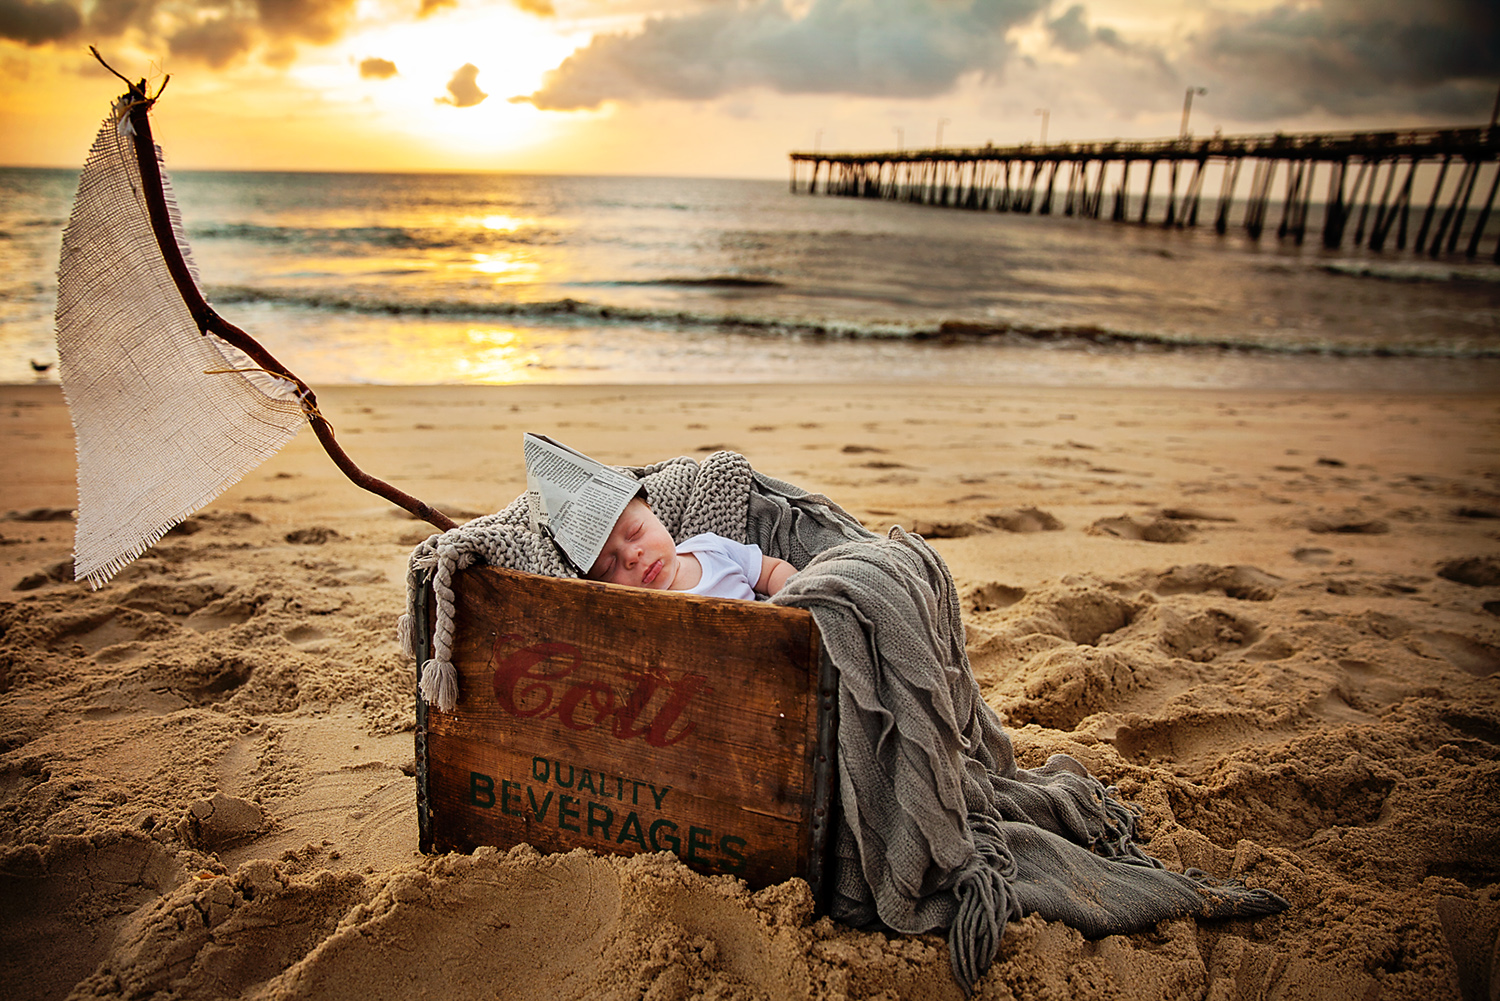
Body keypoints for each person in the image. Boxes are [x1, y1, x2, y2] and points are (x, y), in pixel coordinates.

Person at [584, 494, 795, 599]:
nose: (632, 556)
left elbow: (772, 571)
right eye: (608, 567)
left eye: (635, 533)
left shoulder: (710, 548)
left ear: (652, 513)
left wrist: (788, 605)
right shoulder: (635, 610)